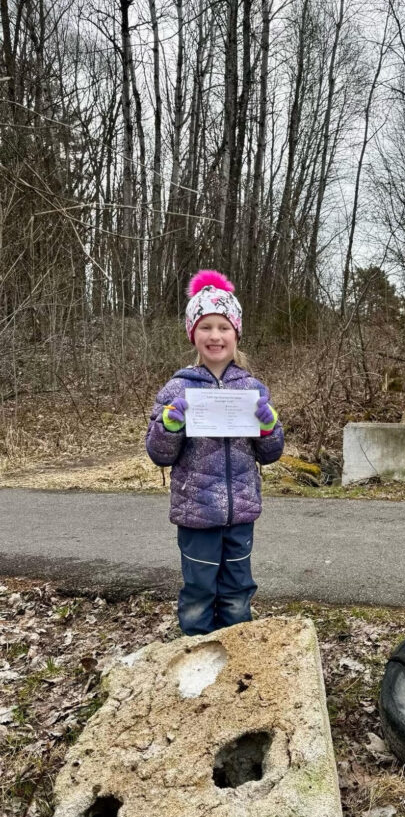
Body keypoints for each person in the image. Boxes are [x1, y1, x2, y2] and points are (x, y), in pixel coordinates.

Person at [146, 269, 284, 635]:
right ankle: (194, 653)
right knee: (198, 591)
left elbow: (270, 454)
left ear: (236, 333)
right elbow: (159, 454)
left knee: (237, 591)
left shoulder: (252, 388)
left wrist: (269, 426)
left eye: (223, 327)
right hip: (196, 514)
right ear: (194, 334)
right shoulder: (176, 388)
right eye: (205, 326)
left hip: (241, 512)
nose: (215, 336)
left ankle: (238, 654)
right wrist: (169, 425)